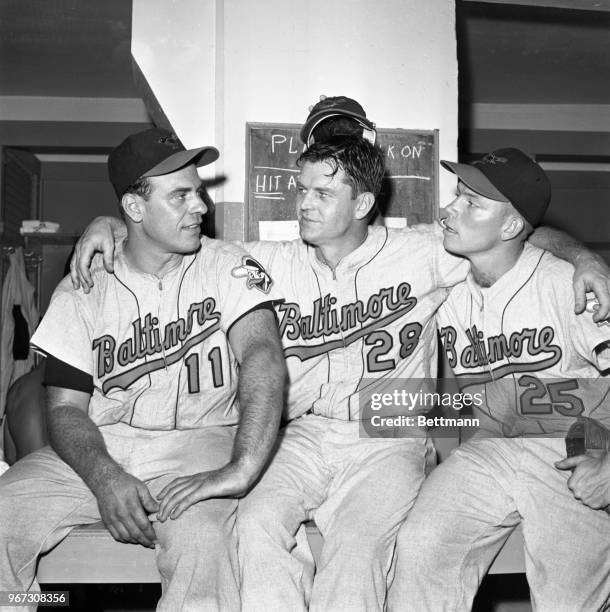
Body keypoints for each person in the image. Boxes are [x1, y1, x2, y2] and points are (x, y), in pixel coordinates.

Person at [71, 134, 610, 612]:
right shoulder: (268, 262)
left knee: (358, 551)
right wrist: (113, 223)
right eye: (301, 189)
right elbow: (176, 242)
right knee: (254, 528)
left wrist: (585, 259)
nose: (304, 203)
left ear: (364, 203)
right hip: (302, 430)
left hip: (389, 430)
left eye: (322, 193)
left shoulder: (425, 252)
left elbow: (516, 237)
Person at [0, 128, 286, 612]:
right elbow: (66, 411)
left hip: (202, 443)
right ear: (133, 210)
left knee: (202, 543)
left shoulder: (228, 265)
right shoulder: (83, 289)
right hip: (107, 446)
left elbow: (263, 356)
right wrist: (106, 478)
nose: (200, 206)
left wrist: (240, 468)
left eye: (198, 192)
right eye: (181, 196)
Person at [388, 148, 610, 611]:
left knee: (569, 600)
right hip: (488, 449)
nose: (450, 209)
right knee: (421, 547)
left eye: (473, 203)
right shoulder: (444, 280)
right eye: (458, 196)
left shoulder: (568, 284)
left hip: (577, 440)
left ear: (509, 227)